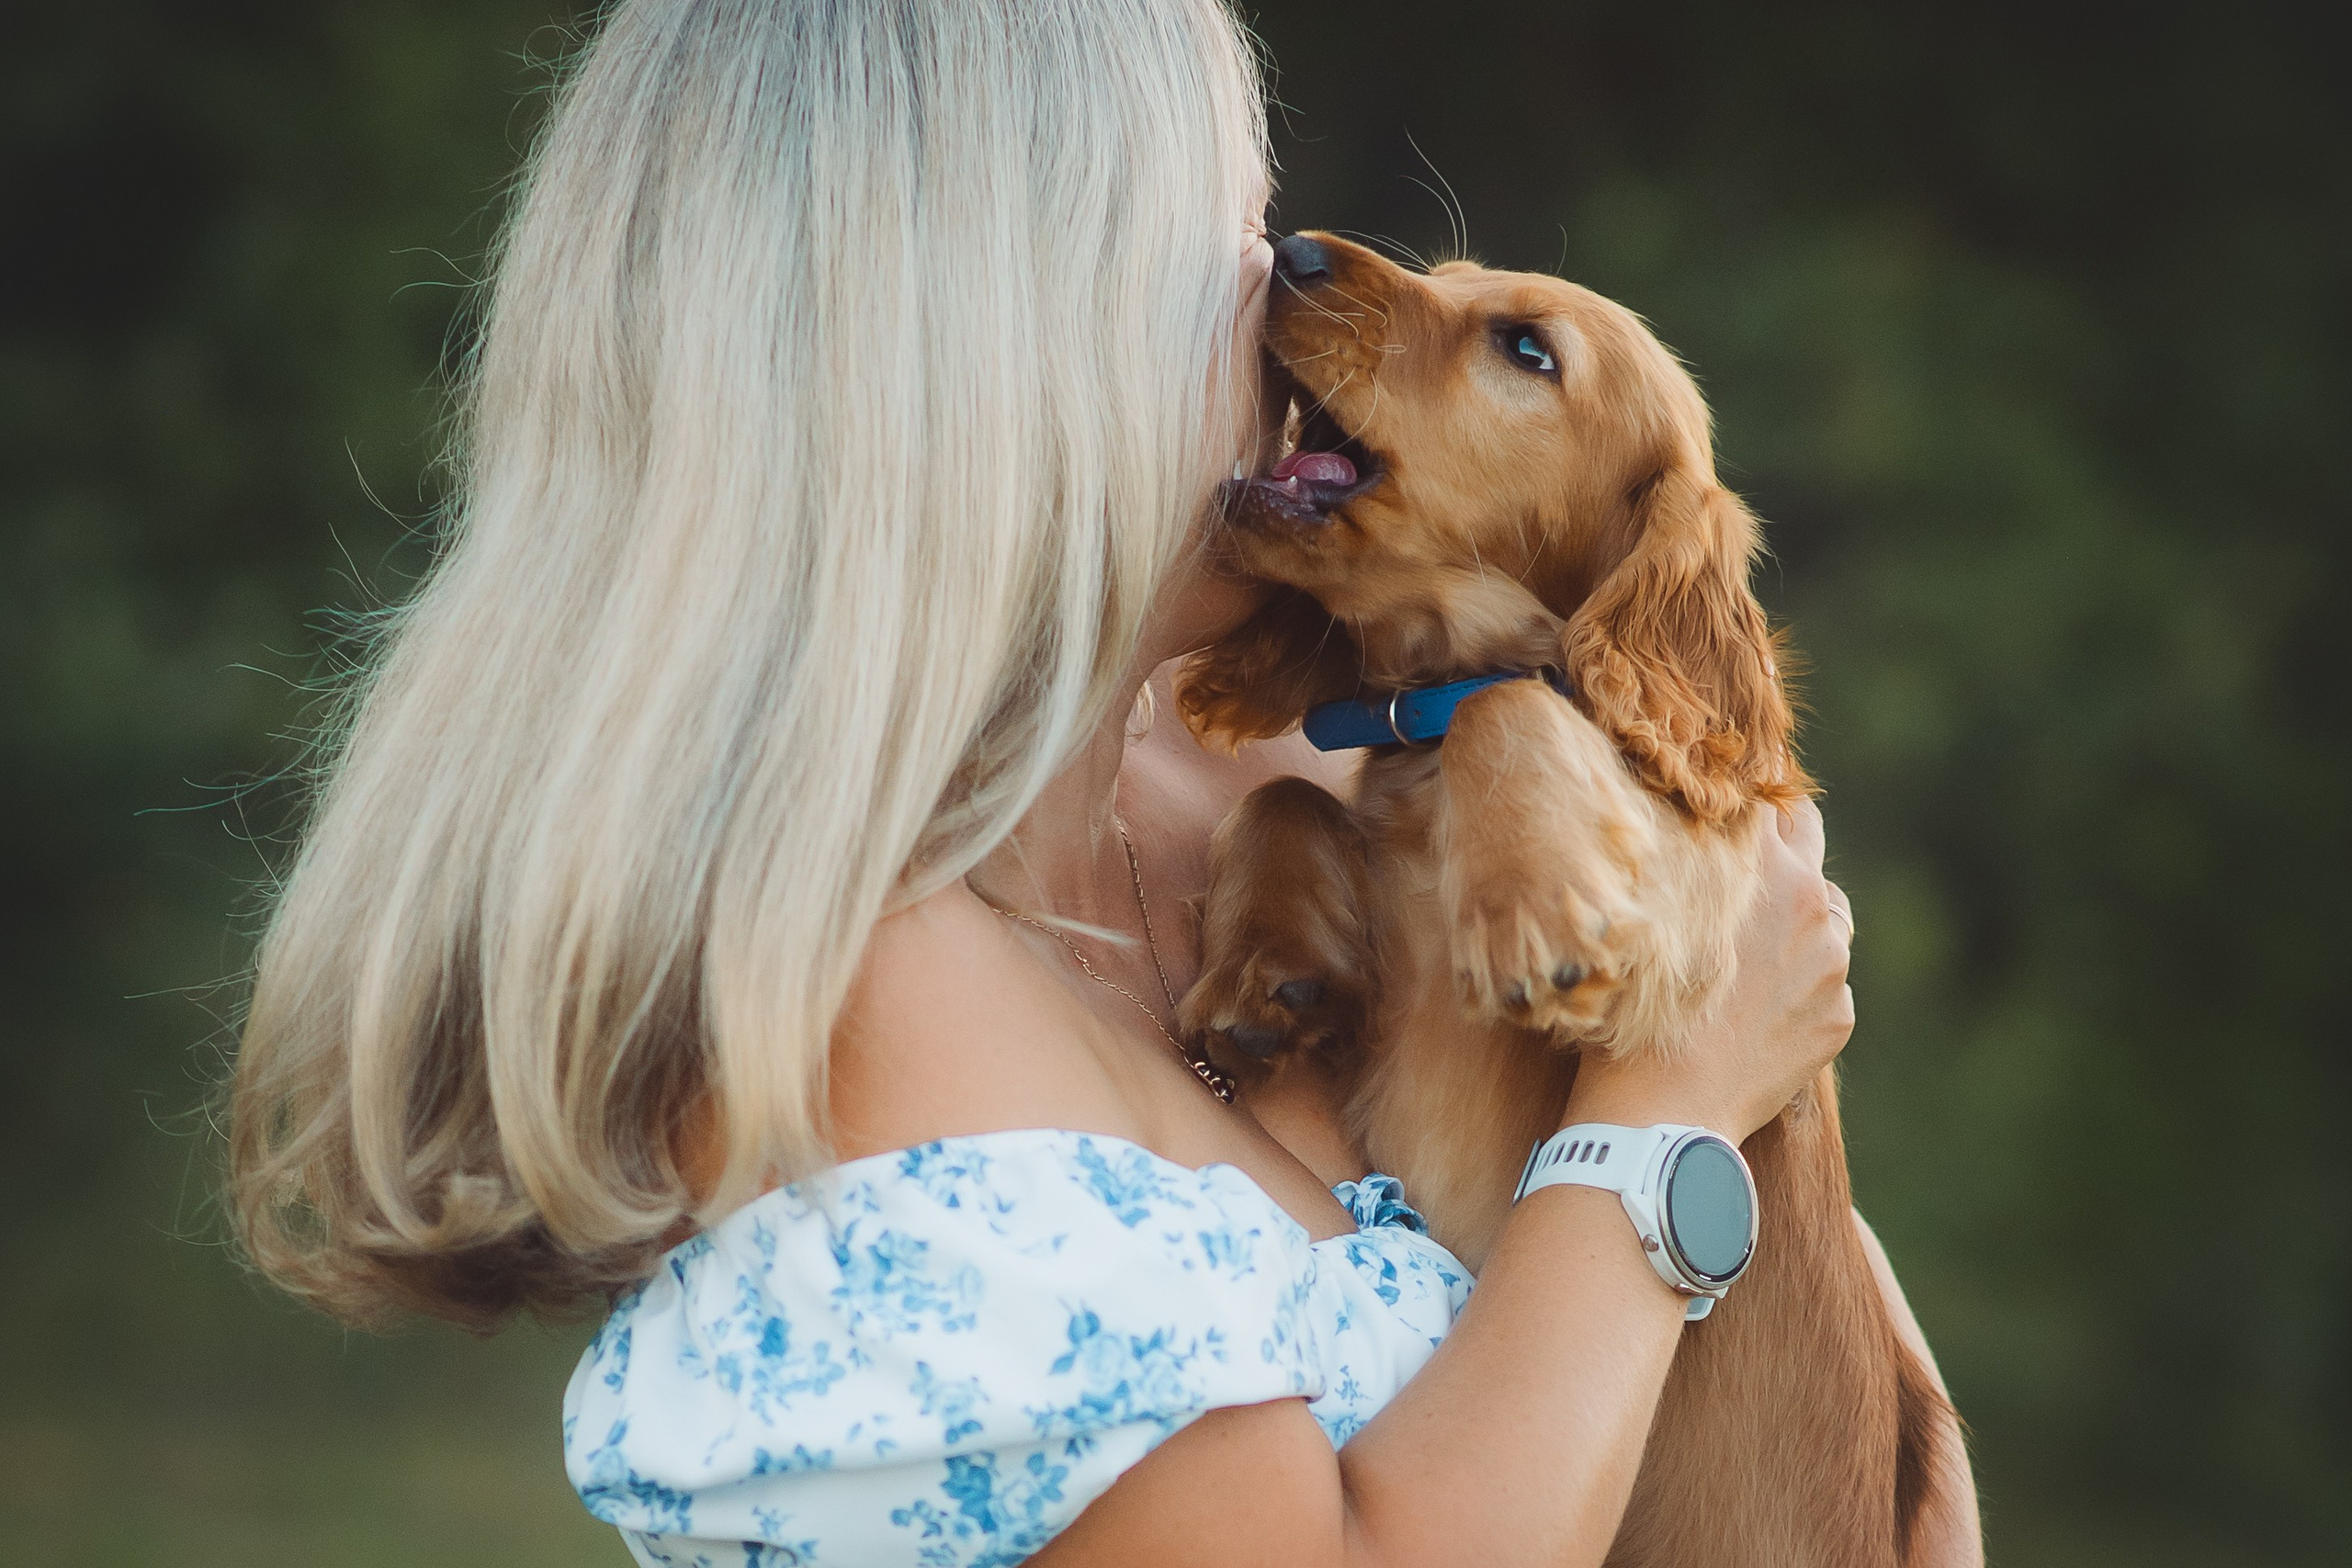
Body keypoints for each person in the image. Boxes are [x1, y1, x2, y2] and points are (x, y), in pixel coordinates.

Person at [226, 2, 1980, 1564]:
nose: (1288, 280)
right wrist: (1668, 1115)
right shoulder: (860, 1001)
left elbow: (1861, 1408)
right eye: (1221, 242)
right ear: (999, 341)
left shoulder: (1266, 765)